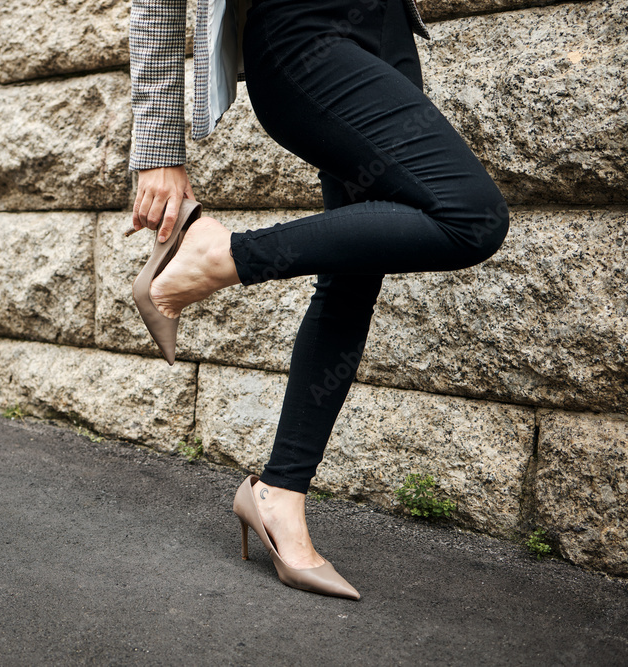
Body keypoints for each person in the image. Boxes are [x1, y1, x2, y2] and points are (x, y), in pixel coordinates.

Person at [127, 0, 509, 599]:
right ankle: (221, 255)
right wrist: (158, 149)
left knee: (354, 272)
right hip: (303, 29)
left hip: (385, 31)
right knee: (471, 217)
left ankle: (278, 495)